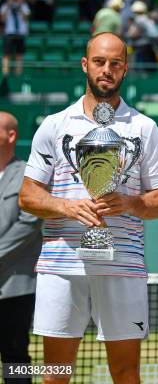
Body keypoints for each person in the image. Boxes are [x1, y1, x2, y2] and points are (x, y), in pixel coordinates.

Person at [18, 32, 158, 383]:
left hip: (124, 266)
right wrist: (69, 207)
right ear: (86, 65)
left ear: (125, 69)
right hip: (62, 265)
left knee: (126, 373)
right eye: (100, 62)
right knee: (55, 374)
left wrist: (130, 202)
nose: (107, 70)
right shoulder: (55, 125)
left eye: (115, 63)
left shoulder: (145, 128)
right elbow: (28, 196)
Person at [0, 111, 42, 384]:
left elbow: (28, 224)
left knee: (16, 357)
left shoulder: (28, 175)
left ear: (11, 135)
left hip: (15, 287)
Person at [1, 0, 30, 76]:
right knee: (6, 54)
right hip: (10, 33)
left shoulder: (24, 5)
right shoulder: (6, 5)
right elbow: (2, 19)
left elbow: (26, 18)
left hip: (20, 33)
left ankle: (18, 73)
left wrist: (20, 6)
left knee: (19, 54)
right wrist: (9, 6)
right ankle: (5, 73)